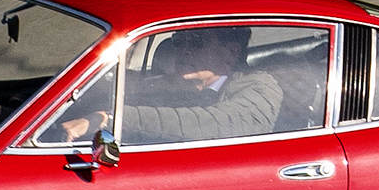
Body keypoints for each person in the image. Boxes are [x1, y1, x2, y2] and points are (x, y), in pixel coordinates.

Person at [56, 27, 282, 146]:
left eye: (195, 42)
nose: (183, 50)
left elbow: (216, 124)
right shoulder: (171, 84)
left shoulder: (259, 86)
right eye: (178, 41)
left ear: (231, 53)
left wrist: (110, 119)